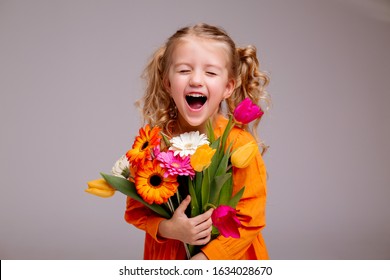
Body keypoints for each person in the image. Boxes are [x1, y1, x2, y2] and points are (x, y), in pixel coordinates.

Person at [125, 23, 270, 260]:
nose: (196, 80)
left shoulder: (239, 145)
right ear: (167, 83)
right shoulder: (153, 144)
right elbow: (135, 210)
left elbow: (251, 219)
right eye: (184, 71)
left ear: (228, 87)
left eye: (210, 73)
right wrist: (169, 228)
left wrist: (205, 260)